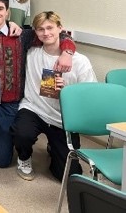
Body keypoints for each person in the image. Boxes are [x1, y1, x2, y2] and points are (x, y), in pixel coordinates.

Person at [0, 0, 75, 179]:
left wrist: (67, 52)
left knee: (2, 161)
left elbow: (60, 35)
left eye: (0, 9)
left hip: (8, 105)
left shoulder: (22, 36)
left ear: (7, 12)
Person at [11, 11, 96, 181]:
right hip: (34, 108)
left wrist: (67, 92)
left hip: (63, 119)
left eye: (50, 28)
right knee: (21, 133)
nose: (46, 33)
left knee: (68, 175)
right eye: (40, 29)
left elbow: (90, 96)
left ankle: (54, 148)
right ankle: (24, 157)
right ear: (36, 32)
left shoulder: (80, 62)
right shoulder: (31, 52)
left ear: (60, 29)